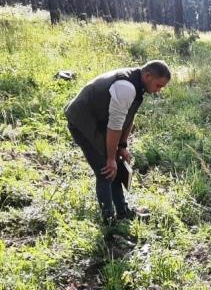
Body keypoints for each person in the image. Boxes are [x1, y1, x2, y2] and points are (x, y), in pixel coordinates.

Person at [65, 60, 171, 225]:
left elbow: (128, 118)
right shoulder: (126, 87)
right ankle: (108, 221)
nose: (158, 91)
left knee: (116, 165)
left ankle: (123, 212)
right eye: (158, 86)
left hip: (100, 122)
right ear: (148, 76)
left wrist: (122, 147)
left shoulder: (138, 85)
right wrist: (110, 158)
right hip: (81, 120)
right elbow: (114, 126)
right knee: (106, 170)